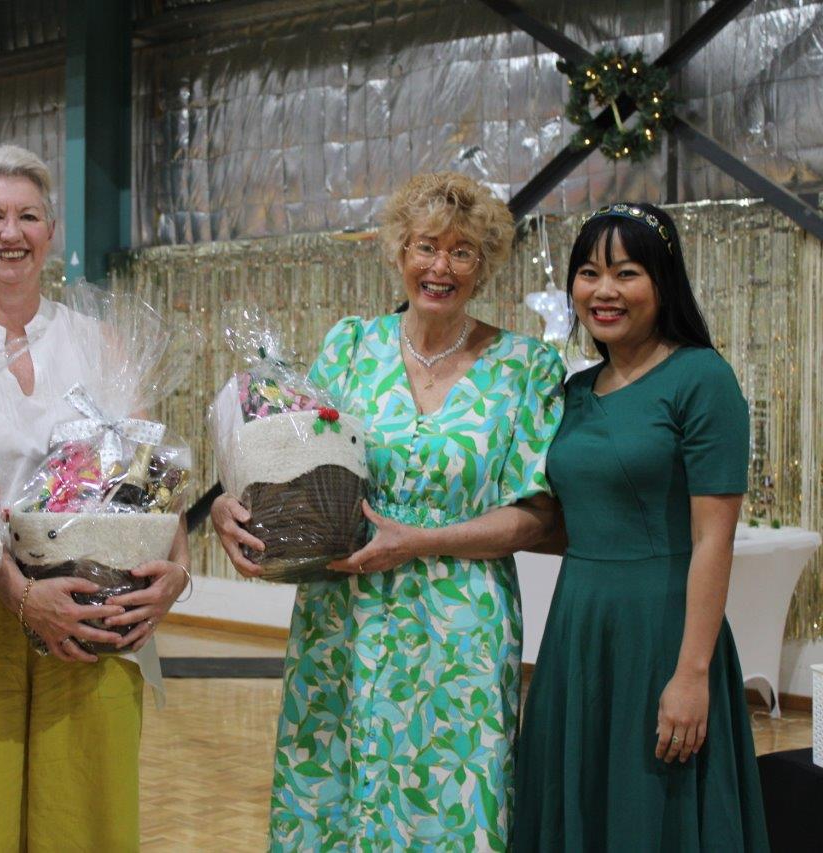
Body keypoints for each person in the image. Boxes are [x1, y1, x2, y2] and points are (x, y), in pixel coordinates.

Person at [211, 172, 566, 850]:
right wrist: (238, 506)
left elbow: (537, 516)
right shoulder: (349, 345)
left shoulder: (527, 367)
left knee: (453, 801)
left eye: (462, 251)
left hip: (459, 627)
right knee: (338, 794)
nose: (441, 266)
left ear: (483, 264)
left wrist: (422, 539)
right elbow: (294, 464)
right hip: (344, 614)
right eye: (426, 246)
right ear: (399, 253)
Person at [0, 144, 192, 852]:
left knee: (84, 813)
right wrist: (21, 595)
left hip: (94, 623)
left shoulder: (99, 340)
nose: (12, 233)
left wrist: (176, 572)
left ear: (51, 230)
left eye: (29, 215)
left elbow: (147, 479)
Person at [512, 203, 770, 851]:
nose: (604, 290)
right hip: (577, 629)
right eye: (589, 273)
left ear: (662, 282)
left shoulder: (701, 378)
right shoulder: (574, 391)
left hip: (663, 631)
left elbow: (715, 536)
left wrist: (692, 673)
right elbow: (569, 519)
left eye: (626, 273)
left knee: (652, 813)